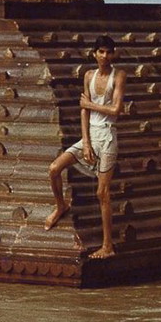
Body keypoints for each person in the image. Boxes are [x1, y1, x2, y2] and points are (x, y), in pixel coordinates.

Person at [45, 35, 126, 259]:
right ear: (94, 53)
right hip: (90, 135)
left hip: (108, 137)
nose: (105, 56)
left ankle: (107, 246)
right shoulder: (89, 75)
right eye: (101, 52)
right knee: (54, 169)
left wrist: (89, 104)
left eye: (109, 52)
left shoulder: (118, 76)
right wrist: (86, 141)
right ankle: (61, 206)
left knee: (103, 193)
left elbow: (116, 109)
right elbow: (84, 111)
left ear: (114, 54)